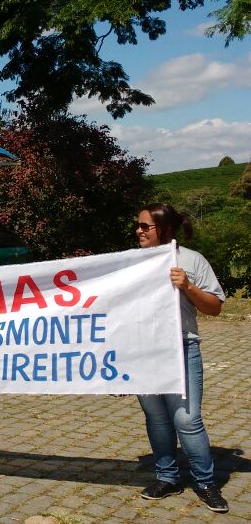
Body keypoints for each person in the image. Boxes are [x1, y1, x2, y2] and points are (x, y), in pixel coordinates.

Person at [134, 203, 228, 513]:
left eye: (145, 226)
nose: (139, 231)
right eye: (138, 226)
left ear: (165, 228)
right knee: (157, 417)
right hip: (144, 351)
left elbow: (214, 307)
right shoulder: (132, 262)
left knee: (186, 418)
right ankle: (167, 477)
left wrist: (186, 285)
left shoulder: (191, 260)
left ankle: (205, 482)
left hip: (182, 348)